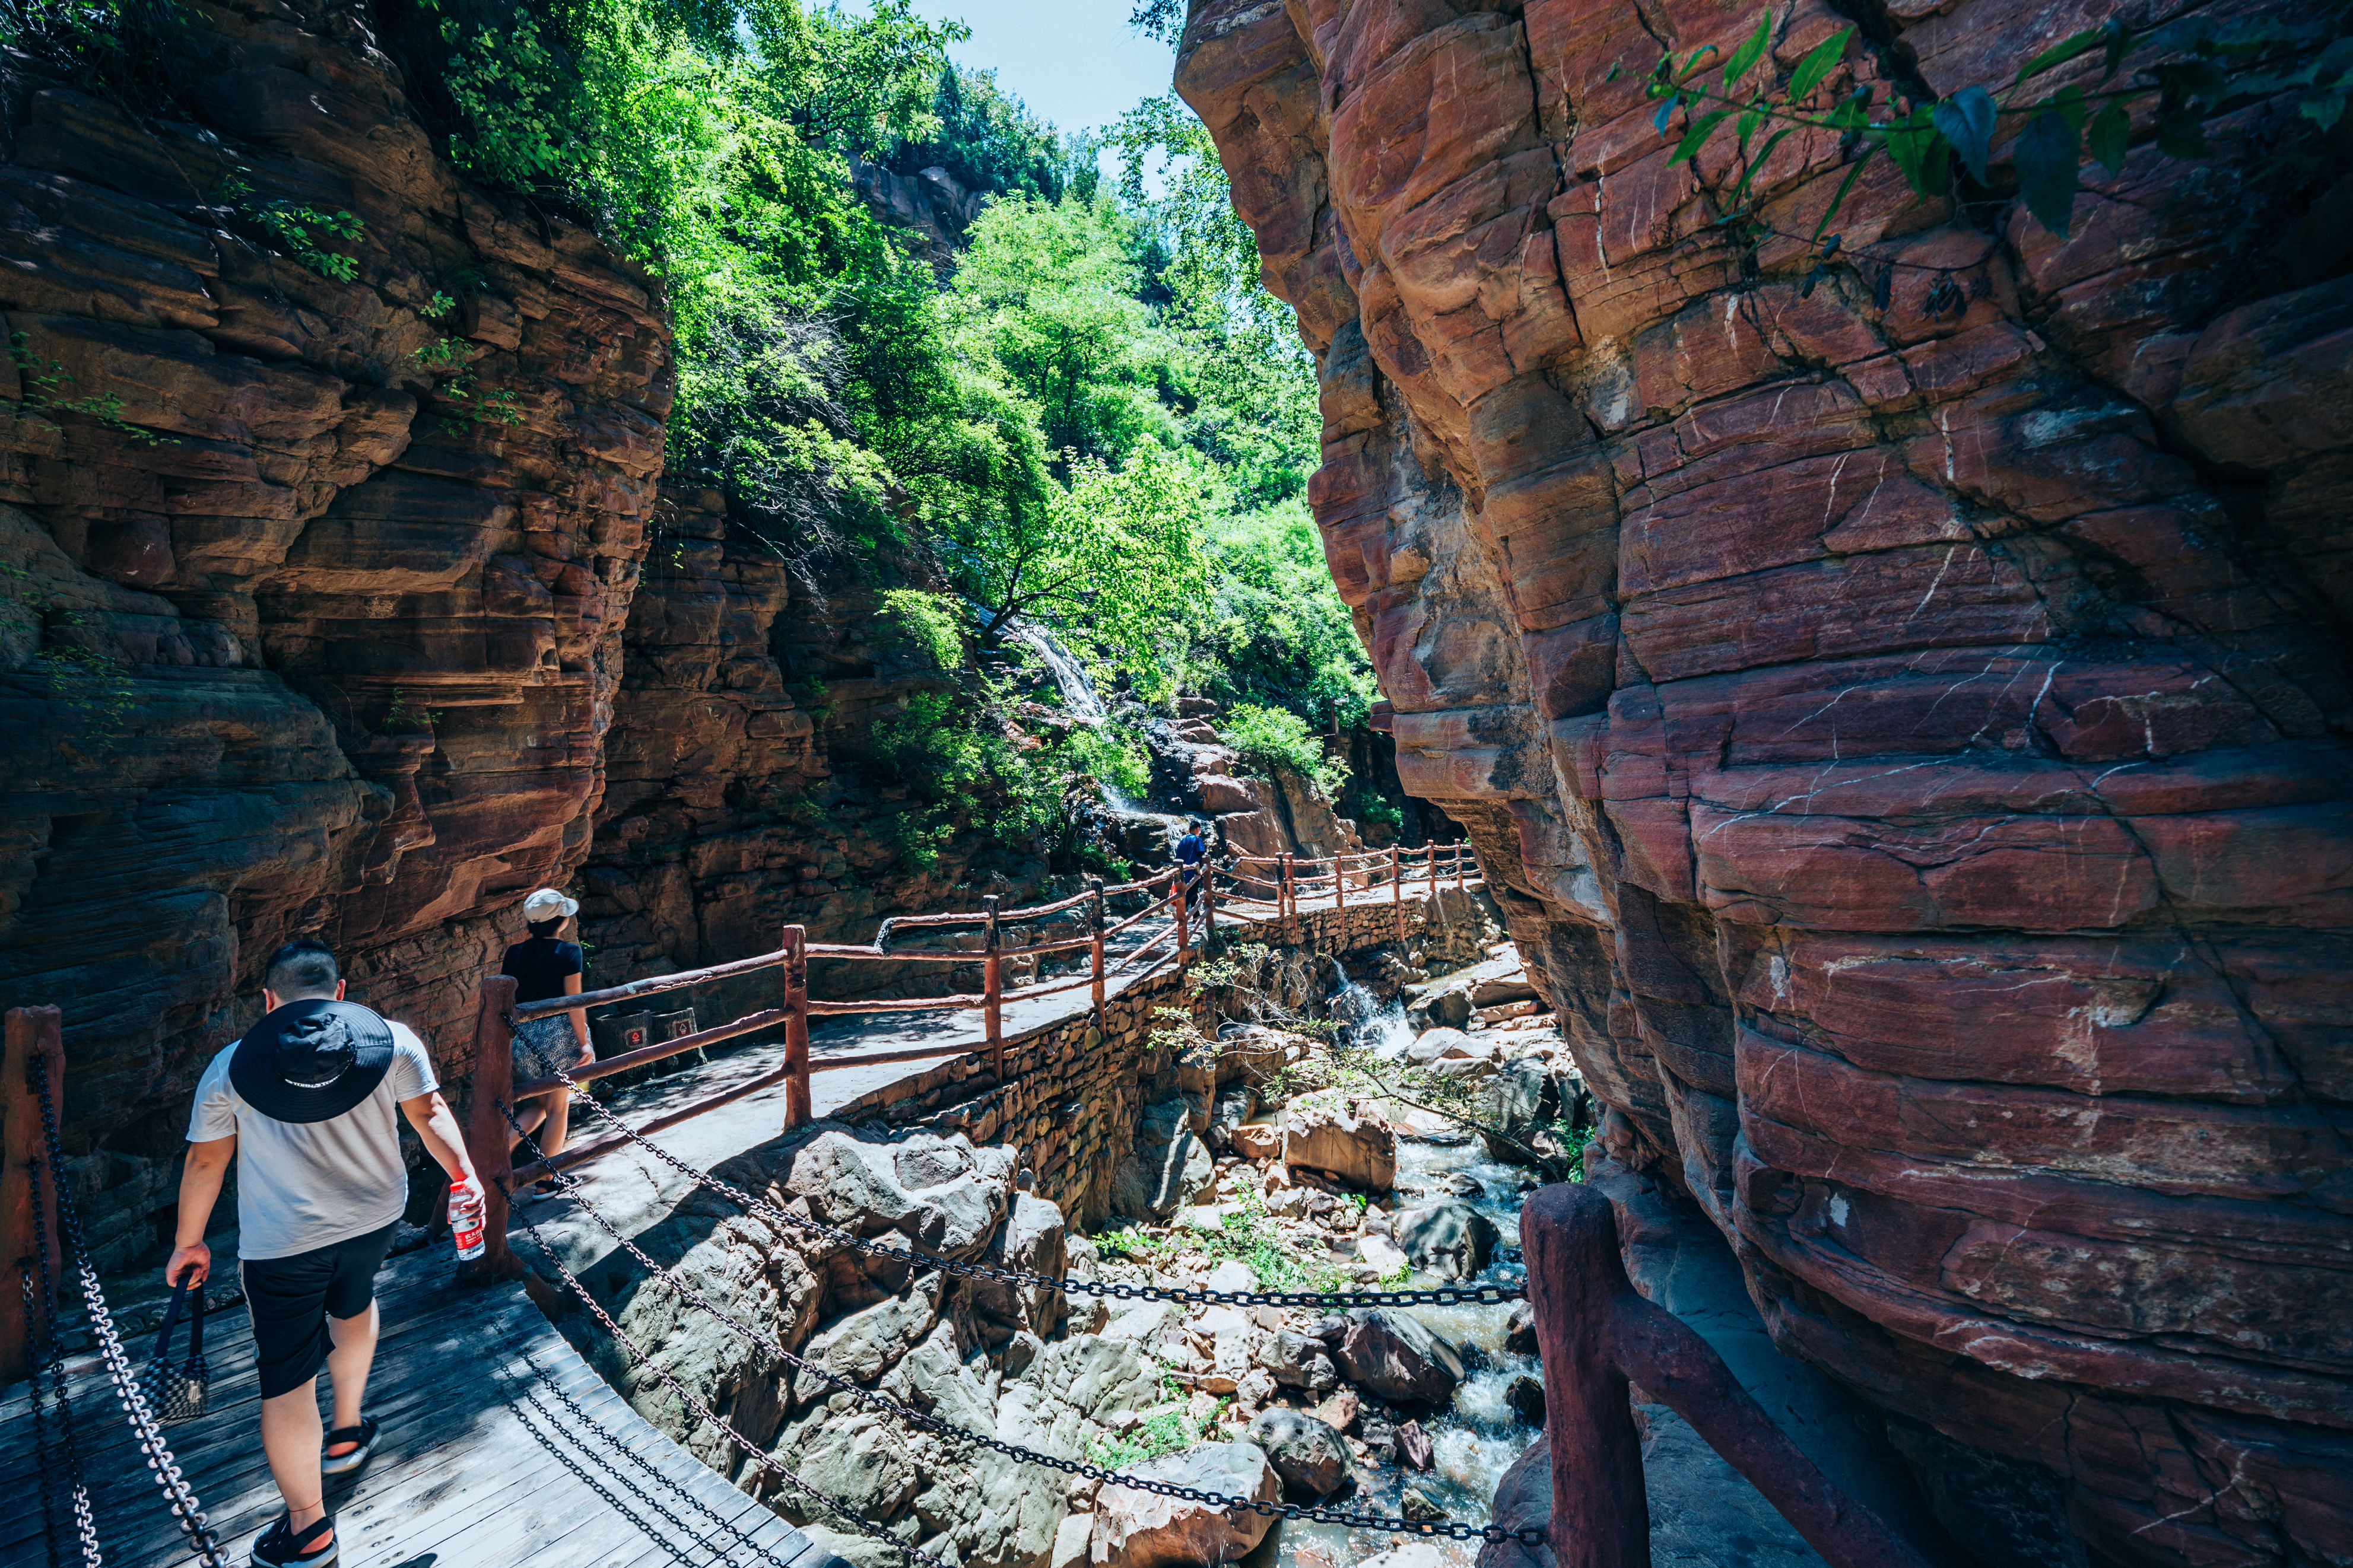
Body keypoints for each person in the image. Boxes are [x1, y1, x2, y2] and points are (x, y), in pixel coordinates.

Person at [169, 939, 480, 1568]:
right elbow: (431, 1113)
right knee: (355, 1299)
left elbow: (206, 1159)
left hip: (281, 1244)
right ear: (339, 992)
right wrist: (463, 1175)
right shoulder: (390, 1039)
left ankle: (309, 1530)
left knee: (287, 1380)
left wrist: (189, 1243)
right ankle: (344, 1432)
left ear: (267, 1000)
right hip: (373, 1220)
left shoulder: (232, 1064)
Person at [501, 886, 593, 1182]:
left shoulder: (514, 954)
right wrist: (585, 1043)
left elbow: (508, 1001)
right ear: (561, 921)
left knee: (539, 1105)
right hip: (557, 1036)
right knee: (558, 1107)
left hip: (523, 1040)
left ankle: (492, 1159)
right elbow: (574, 1003)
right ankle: (547, 1181)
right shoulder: (569, 952)